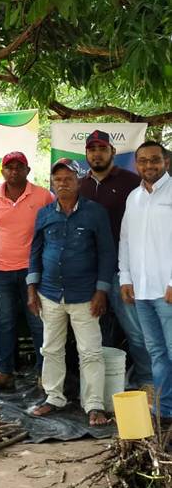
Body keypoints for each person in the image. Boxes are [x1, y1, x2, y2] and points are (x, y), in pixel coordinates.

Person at [27, 158, 113, 426]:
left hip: (85, 295)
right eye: (58, 179)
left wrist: (101, 291)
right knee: (51, 349)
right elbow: (35, 252)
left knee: (90, 352)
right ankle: (54, 398)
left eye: (68, 179)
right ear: (52, 183)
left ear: (78, 181)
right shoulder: (44, 214)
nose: (62, 183)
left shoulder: (95, 212)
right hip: (49, 294)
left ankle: (94, 405)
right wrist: (32, 289)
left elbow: (107, 253)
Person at [79, 129, 151, 390]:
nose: (96, 154)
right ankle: (102, 386)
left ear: (112, 152)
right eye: (91, 149)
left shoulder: (133, 182)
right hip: (88, 271)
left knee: (136, 330)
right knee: (95, 331)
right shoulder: (80, 186)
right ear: (86, 153)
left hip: (124, 271)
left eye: (101, 149)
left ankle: (146, 380)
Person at [0, 152, 53, 392]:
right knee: (5, 322)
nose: (14, 171)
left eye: (19, 167)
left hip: (34, 271)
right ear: (2, 172)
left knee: (38, 323)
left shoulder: (43, 196)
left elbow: (52, 230)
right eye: (9, 168)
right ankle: (5, 373)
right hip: (1, 270)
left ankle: (45, 375)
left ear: (27, 170)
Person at [120, 141, 172, 418]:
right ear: (136, 164)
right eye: (143, 161)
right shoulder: (133, 197)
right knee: (157, 354)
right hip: (142, 291)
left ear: (165, 161)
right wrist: (125, 278)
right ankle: (165, 412)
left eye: (155, 160)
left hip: (167, 291)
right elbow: (126, 240)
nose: (149, 166)